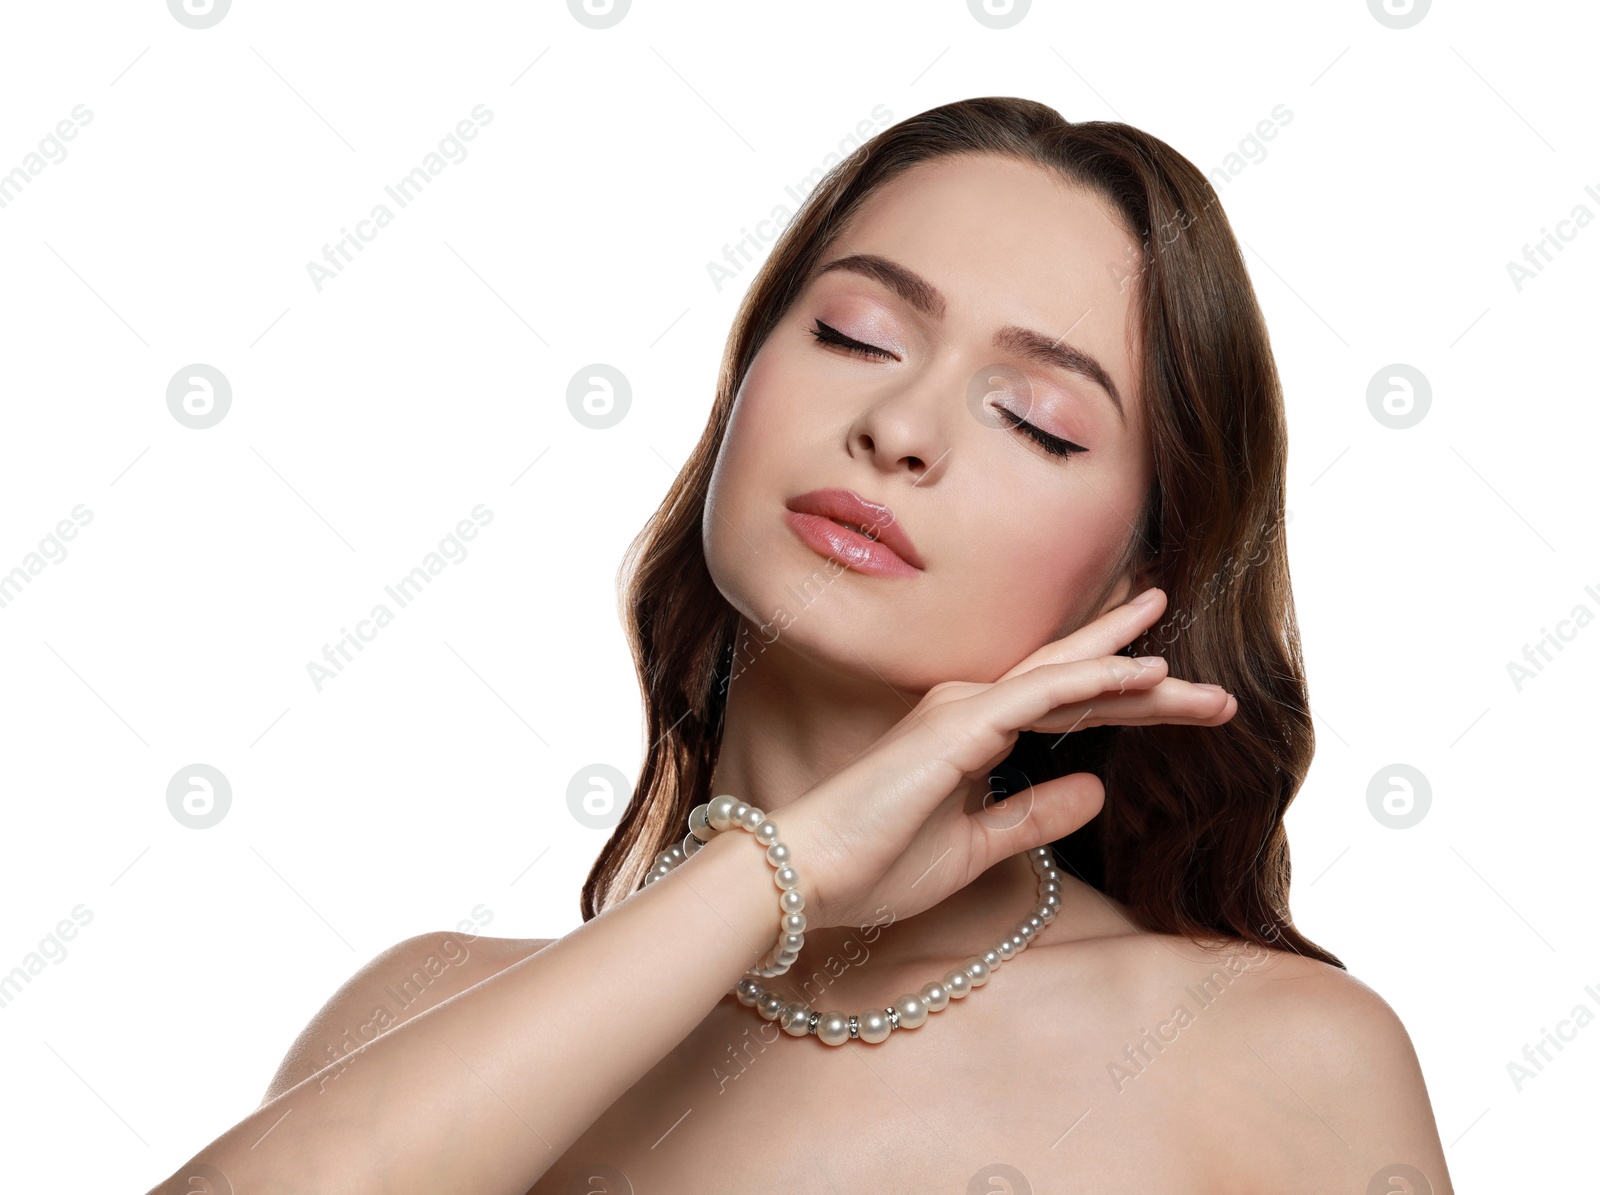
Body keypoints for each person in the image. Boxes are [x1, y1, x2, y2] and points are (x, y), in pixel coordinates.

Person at [148, 97, 1454, 1194]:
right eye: (854, 334)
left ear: (1140, 578)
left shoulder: (1273, 1057)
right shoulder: (427, 1015)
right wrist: (783, 874)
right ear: (739, 386)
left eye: (1038, 421)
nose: (899, 426)